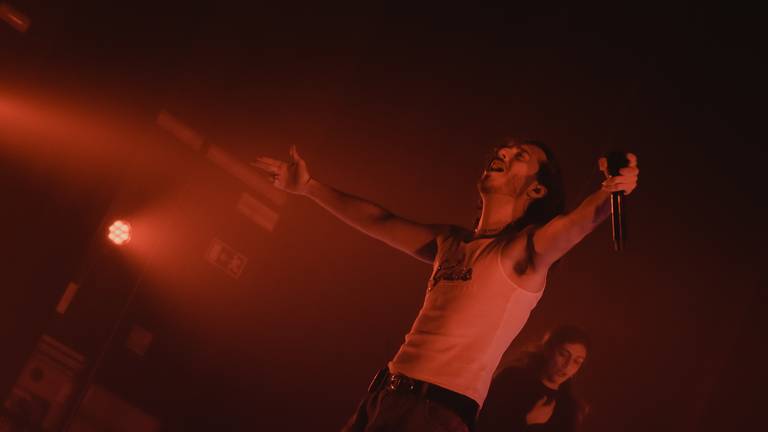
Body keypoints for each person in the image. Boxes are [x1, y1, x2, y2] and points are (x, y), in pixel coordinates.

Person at [252, 141, 638, 431]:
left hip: (434, 414)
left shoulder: (524, 250)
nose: (504, 151)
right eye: (505, 148)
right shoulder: (451, 242)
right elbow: (380, 221)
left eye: (520, 155)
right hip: (383, 396)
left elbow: (578, 223)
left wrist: (613, 189)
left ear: (536, 190)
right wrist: (309, 187)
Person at [476, 324, 591, 431]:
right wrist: (526, 421)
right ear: (548, 350)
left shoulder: (569, 407)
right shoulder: (512, 379)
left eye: (577, 361)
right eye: (563, 354)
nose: (567, 365)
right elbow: (482, 424)